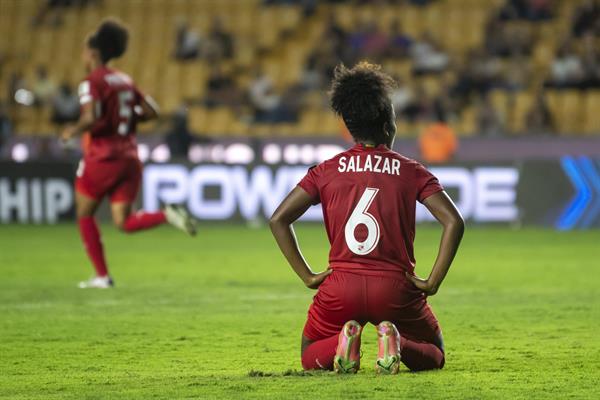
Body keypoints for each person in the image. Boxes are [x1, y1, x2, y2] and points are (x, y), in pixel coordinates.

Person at [270, 62, 464, 374]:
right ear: (388, 124)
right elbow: (454, 221)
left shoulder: (326, 170)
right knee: (434, 353)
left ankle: (341, 345)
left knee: (309, 354)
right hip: (395, 288)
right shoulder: (412, 171)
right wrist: (432, 282)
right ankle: (397, 342)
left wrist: (308, 276)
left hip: (339, 286)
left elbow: (278, 219)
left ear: (349, 126)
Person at [61, 19, 197, 289]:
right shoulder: (124, 79)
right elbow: (151, 111)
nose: (83, 55)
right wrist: (124, 120)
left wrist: (70, 131)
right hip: (130, 158)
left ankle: (102, 276)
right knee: (123, 221)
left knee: (84, 213)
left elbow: (90, 116)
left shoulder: (91, 82)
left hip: (103, 156)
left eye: (85, 50)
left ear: (94, 53)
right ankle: (166, 215)